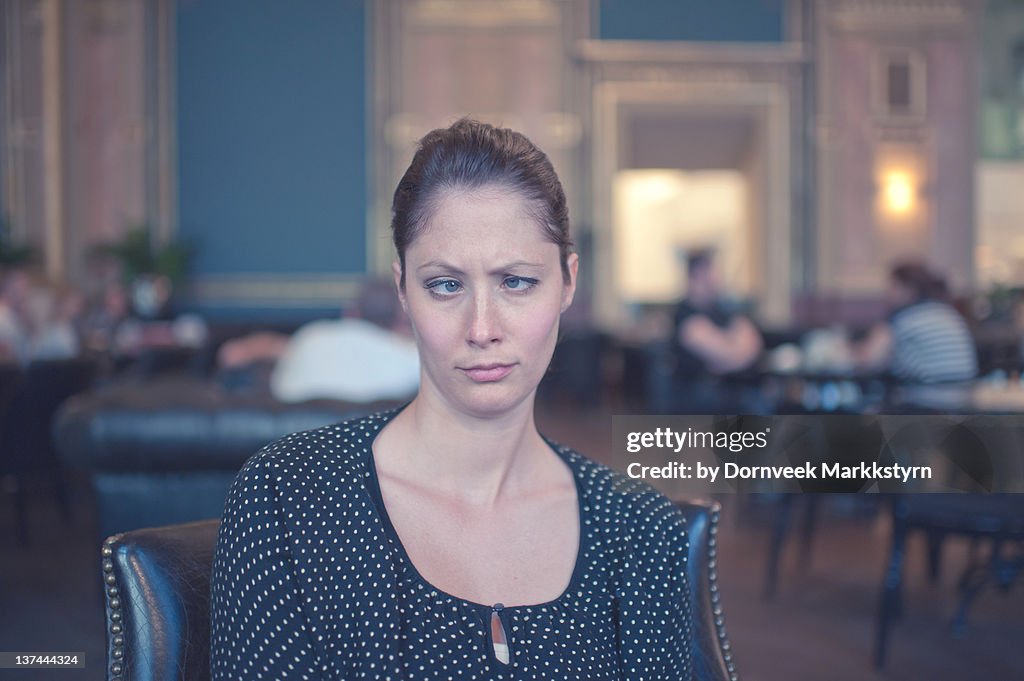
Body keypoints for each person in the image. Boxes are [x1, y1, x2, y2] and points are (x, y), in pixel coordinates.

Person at [210, 119, 697, 679]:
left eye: (516, 282)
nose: (482, 328)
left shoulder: (640, 529)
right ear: (403, 292)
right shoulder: (286, 497)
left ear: (568, 281)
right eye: (446, 284)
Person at [268, 277, 420, 403]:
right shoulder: (410, 359)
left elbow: (280, 388)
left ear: (350, 312)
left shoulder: (310, 336)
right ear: (400, 319)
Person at [853, 260, 978, 410]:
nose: (887, 292)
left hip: (924, 405)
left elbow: (869, 360)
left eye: (893, 286)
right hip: (961, 403)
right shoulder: (948, 312)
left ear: (908, 289)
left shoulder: (904, 317)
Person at [661, 249, 763, 413]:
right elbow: (726, 353)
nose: (715, 280)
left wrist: (729, 357)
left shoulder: (722, 310)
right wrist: (734, 349)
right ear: (693, 277)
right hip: (701, 401)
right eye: (708, 275)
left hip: (734, 393)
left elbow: (753, 344)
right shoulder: (685, 316)